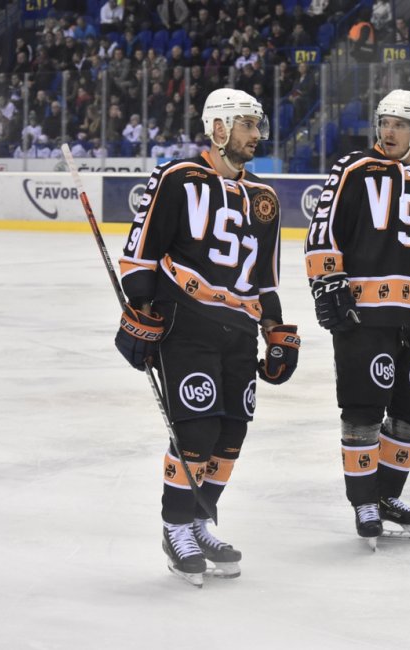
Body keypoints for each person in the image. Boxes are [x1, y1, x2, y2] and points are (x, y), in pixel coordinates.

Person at [116, 88, 300, 587]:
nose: (256, 135)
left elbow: (265, 278)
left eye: (257, 126)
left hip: (240, 329)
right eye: (247, 125)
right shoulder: (177, 178)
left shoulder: (264, 198)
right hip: (186, 323)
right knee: (195, 430)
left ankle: (201, 519)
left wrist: (275, 330)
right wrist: (141, 308)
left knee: (230, 433)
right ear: (218, 128)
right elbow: (140, 252)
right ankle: (176, 526)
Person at [304, 89, 410, 547]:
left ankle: (386, 495)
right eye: (385, 122)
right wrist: (327, 282)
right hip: (364, 314)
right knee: (364, 407)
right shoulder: (353, 169)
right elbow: (322, 232)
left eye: (401, 124)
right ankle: (364, 501)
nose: (389, 131)